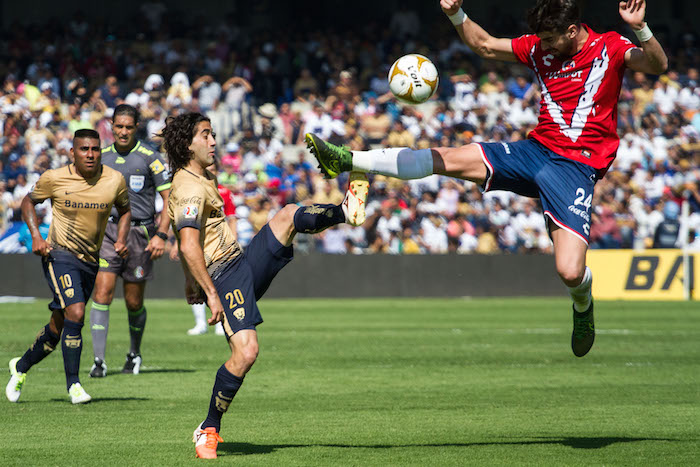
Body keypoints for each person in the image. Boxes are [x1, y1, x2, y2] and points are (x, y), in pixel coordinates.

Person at [306, 0, 668, 358]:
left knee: (570, 271)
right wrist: (454, 13)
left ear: (572, 31)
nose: (542, 46)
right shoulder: (537, 47)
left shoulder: (610, 47)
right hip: (535, 151)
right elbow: (484, 45)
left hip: (574, 168)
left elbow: (656, 64)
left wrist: (640, 28)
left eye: (550, 39)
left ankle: (583, 307)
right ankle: (348, 158)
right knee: (447, 158)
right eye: (539, 39)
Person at [160, 112, 368, 459]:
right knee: (246, 352)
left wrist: (188, 282)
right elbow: (187, 244)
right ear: (187, 144)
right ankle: (208, 428)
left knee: (287, 215)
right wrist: (209, 292)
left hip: (237, 264)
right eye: (206, 135)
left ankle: (345, 211)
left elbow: (194, 242)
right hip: (224, 279)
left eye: (213, 134)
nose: (214, 141)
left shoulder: (200, 176)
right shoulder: (189, 189)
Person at [5, 129, 131, 404]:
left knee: (58, 326)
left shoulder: (114, 179)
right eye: (84, 149)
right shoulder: (54, 177)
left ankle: (21, 366)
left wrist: (121, 238)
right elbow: (28, 202)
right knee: (76, 311)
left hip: (90, 261)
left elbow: (125, 210)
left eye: (95, 149)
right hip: (59, 254)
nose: (90, 154)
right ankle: (74, 385)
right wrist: (37, 236)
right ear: (72, 152)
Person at [88, 104, 171, 378]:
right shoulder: (101, 157)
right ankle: (98, 361)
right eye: (119, 126)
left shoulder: (150, 157)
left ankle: (134, 354)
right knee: (102, 293)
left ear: (136, 128)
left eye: (129, 127)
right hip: (109, 232)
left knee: (133, 302)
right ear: (111, 126)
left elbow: (169, 199)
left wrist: (161, 234)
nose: (123, 132)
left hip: (140, 235)